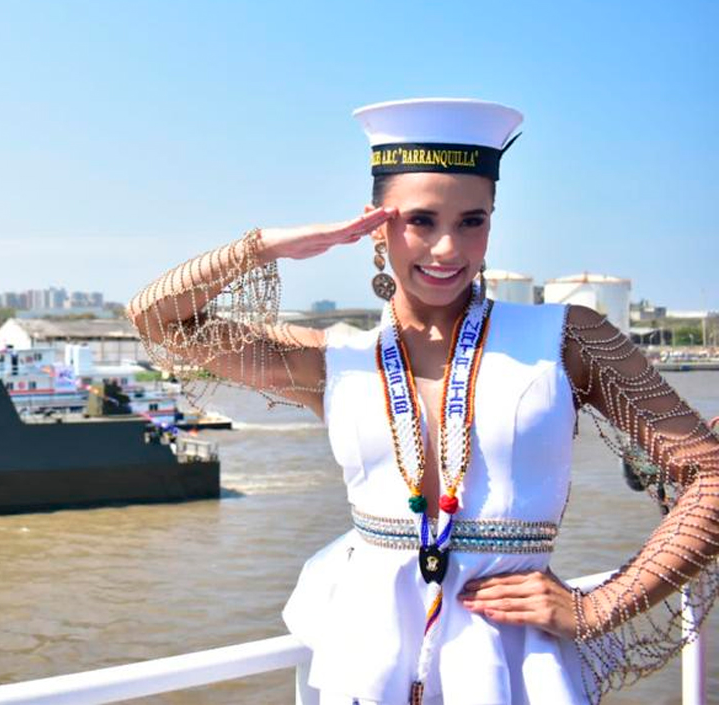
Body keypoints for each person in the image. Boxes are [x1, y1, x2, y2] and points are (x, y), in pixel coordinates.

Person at [126, 98, 719, 704]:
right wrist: (266, 246)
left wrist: (601, 607)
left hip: (513, 672)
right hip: (366, 671)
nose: (446, 250)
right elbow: (154, 320)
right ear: (375, 226)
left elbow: (712, 475)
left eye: (472, 221)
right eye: (420, 221)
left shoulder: (568, 338)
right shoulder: (333, 358)